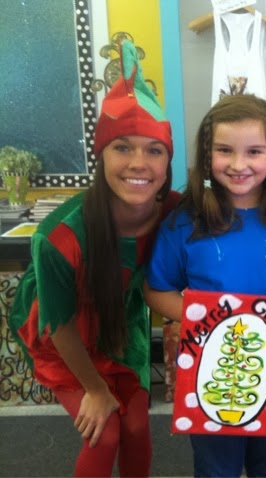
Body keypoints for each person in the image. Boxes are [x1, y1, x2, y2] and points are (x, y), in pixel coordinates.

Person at [9, 39, 180, 477]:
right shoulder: (60, 238)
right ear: (100, 155)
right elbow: (59, 324)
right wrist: (95, 388)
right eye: (122, 147)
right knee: (104, 433)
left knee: (137, 426)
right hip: (64, 333)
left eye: (154, 150)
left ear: (167, 161)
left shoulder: (176, 212)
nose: (139, 163)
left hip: (122, 325)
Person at [143, 94, 266, 478]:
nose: (239, 164)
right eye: (224, 150)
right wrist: (202, 317)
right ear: (207, 155)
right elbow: (156, 288)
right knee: (216, 467)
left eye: (254, 151)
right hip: (209, 363)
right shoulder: (186, 221)